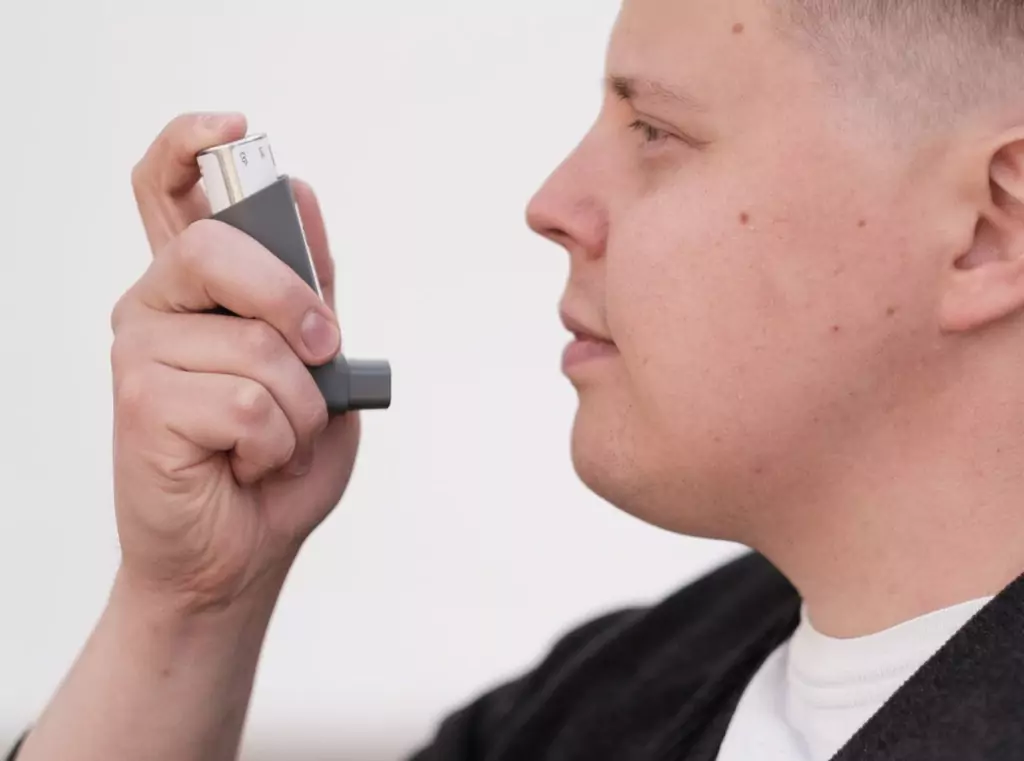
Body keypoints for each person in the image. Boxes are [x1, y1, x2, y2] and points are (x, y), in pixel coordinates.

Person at [10, 0, 1024, 758]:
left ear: (986, 231)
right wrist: (192, 602)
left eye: (655, 132)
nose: (550, 204)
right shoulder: (589, 711)